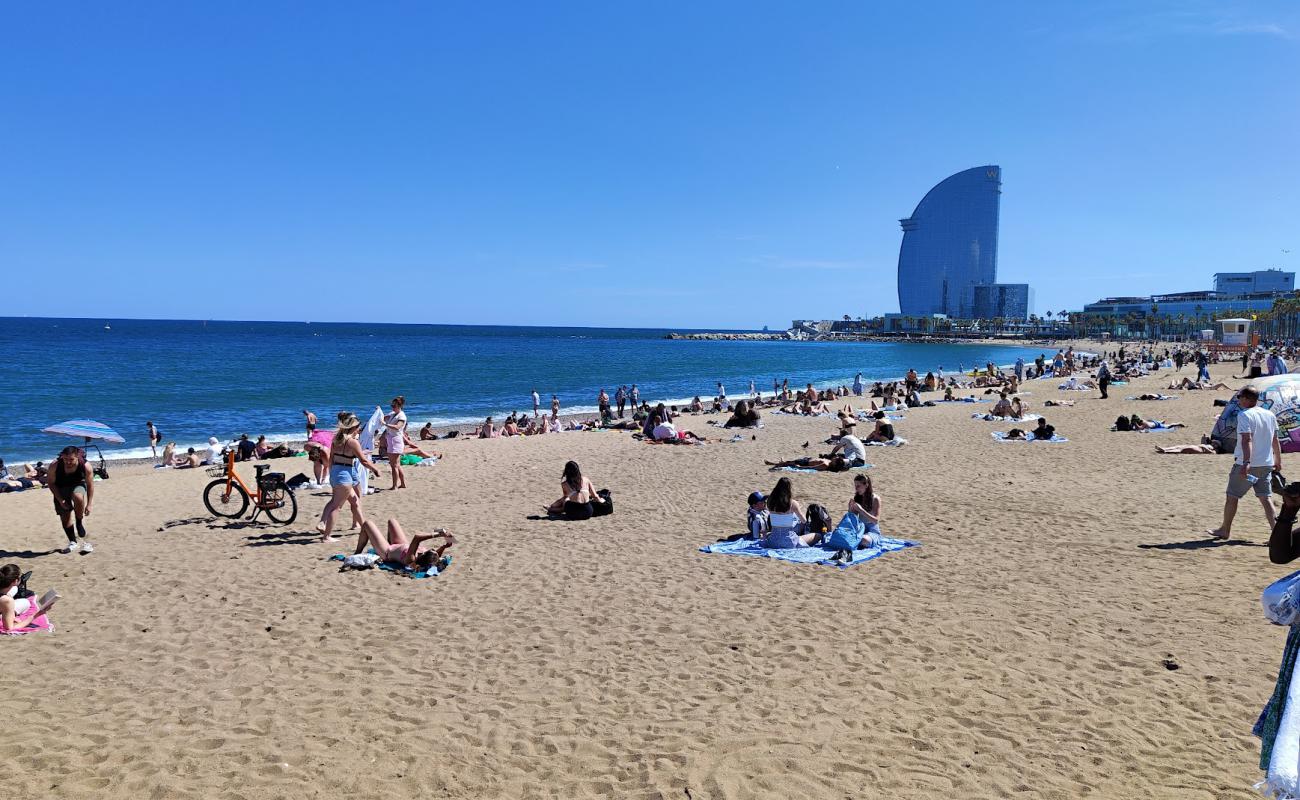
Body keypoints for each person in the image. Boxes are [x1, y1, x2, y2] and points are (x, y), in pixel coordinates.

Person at [1209, 385, 1283, 540]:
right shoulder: (1269, 414)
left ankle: (1225, 530)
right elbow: (1275, 440)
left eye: (1240, 397)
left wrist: (1246, 462)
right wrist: (1278, 460)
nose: (1238, 400)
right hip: (1266, 464)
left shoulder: (1245, 415)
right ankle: (1277, 535)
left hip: (1248, 465)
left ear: (1247, 399)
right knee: (1266, 498)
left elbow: (1246, 439)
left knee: (1232, 496)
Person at [319, 413, 381, 542]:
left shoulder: (337, 439)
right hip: (345, 474)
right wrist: (375, 469)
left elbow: (331, 458)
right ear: (353, 428)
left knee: (354, 500)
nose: (359, 429)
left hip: (336, 471)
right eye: (358, 427)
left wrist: (331, 474)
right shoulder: (352, 442)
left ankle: (363, 527)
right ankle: (327, 536)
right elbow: (363, 461)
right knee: (337, 507)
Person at [353, 518, 454, 572]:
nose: (433, 549)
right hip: (400, 544)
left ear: (424, 555)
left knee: (367, 523)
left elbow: (417, 537)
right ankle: (386, 541)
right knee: (392, 521)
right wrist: (444, 547)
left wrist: (439, 535)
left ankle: (357, 552)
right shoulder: (429, 557)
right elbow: (437, 556)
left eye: (431, 550)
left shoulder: (411, 558)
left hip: (387, 552)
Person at [49, 445, 94, 554]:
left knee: (78, 497)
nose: (68, 462)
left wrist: (89, 504)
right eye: (65, 459)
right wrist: (60, 500)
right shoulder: (55, 465)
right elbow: (50, 483)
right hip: (60, 488)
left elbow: (90, 484)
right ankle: (73, 542)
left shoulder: (86, 466)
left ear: (77, 457)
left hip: (78, 484)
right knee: (65, 516)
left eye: (71, 459)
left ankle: (79, 522)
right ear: (62, 457)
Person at [761, 477, 820, 548]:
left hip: (773, 542)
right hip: (789, 541)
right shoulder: (792, 503)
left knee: (770, 534)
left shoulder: (770, 502)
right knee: (817, 535)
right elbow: (804, 521)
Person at [383, 396, 409, 490]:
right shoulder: (393, 413)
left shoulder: (402, 416)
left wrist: (385, 424)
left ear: (400, 405)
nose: (392, 407)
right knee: (397, 464)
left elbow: (398, 427)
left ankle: (394, 486)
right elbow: (384, 417)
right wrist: (379, 412)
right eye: (392, 405)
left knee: (393, 465)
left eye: (394, 405)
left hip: (395, 440)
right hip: (391, 440)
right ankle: (402, 483)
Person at [764, 454, 851, 472]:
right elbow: (845, 468)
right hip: (807, 460)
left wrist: (800, 467)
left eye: (836, 459)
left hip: (805, 463)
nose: (835, 457)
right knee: (788, 462)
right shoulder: (829, 462)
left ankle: (772, 464)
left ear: (835, 463)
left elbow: (813, 468)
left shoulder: (825, 465)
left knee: (788, 463)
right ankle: (775, 463)